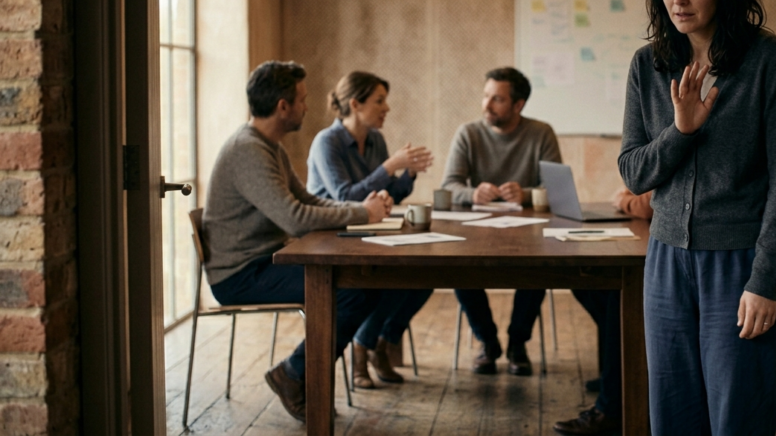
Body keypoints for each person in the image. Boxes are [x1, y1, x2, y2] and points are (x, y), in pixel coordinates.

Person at [618, 0, 776, 434]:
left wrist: (765, 282)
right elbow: (634, 172)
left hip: (740, 263)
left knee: (737, 416)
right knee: (673, 414)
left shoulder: (769, 60)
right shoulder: (648, 64)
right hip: (665, 263)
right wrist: (681, 131)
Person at [202, 61, 393, 422]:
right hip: (241, 275)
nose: (308, 106)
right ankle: (292, 374)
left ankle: (297, 374)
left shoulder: (268, 146)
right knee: (353, 289)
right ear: (282, 106)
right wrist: (362, 214)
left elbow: (307, 200)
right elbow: (295, 218)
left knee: (364, 282)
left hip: (268, 261)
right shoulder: (249, 150)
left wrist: (360, 208)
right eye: (302, 100)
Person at [306, 71, 434, 388]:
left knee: (425, 277)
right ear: (355, 104)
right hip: (329, 237)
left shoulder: (375, 139)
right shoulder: (327, 142)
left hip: (367, 232)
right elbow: (345, 198)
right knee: (387, 278)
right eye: (379, 101)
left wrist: (406, 174)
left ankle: (377, 342)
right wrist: (389, 166)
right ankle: (363, 347)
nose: (386, 108)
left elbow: (390, 193)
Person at [442, 67, 561, 376]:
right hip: (474, 232)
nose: (486, 105)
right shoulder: (468, 133)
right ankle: (487, 342)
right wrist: (472, 193)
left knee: (541, 266)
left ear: (518, 105)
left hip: (529, 234)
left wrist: (524, 194)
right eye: (485, 96)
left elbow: (556, 191)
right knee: (456, 266)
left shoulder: (541, 133)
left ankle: (517, 344)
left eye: (497, 99)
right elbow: (449, 187)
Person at [553, 188, 652, 435]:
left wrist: (625, 201)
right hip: (652, 239)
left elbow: (649, 203)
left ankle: (610, 409)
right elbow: (635, 187)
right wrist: (630, 198)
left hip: (662, 254)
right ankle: (617, 373)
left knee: (617, 301)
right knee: (586, 286)